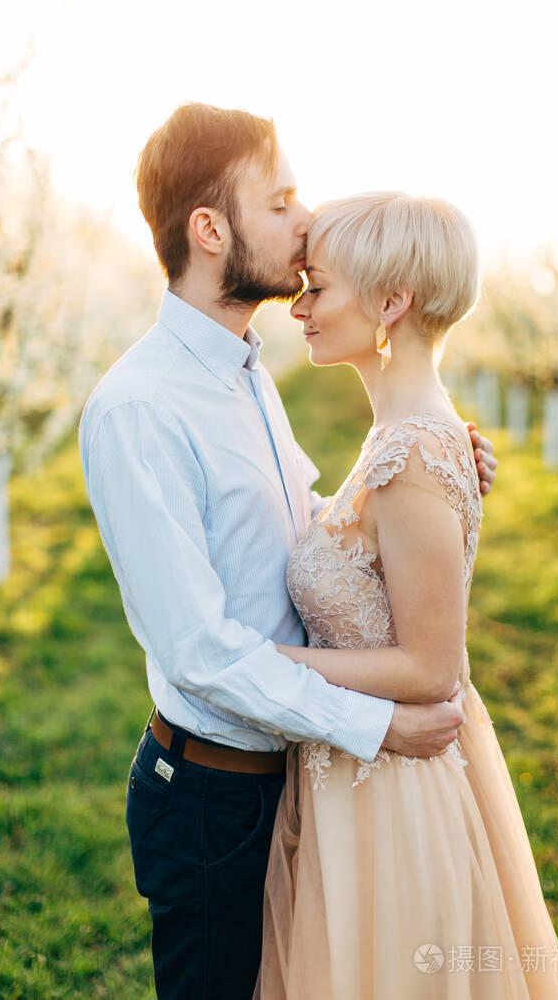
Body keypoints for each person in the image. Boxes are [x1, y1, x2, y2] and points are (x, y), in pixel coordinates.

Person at [77, 103, 498, 1000]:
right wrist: (379, 725)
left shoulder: (244, 370)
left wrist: (416, 486)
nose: (303, 221)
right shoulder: (138, 409)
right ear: (209, 228)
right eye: (281, 201)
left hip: (300, 777)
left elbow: (298, 520)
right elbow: (198, 653)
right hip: (213, 799)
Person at [253, 192, 558, 999]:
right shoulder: (408, 438)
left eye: (316, 287)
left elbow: (433, 667)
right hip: (360, 774)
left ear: (391, 302)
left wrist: (271, 661)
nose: (298, 307)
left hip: (394, 795)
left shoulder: (416, 450)